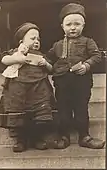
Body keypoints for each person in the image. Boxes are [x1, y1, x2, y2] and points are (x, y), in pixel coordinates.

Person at [47, 3, 105, 149]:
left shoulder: (88, 42)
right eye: (69, 24)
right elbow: (49, 58)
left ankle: (84, 137)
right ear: (62, 26)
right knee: (63, 110)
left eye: (77, 24)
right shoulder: (57, 45)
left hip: (81, 82)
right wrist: (46, 64)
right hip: (62, 83)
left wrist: (86, 65)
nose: (73, 27)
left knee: (81, 109)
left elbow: (97, 56)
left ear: (83, 25)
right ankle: (64, 136)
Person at [0, 22, 58, 152]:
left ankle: (36, 138)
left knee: (39, 116)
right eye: (32, 38)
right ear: (21, 41)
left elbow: (51, 69)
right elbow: (4, 60)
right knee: (19, 115)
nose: (36, 41)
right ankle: (21, 140)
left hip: (38, 90)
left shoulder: (40, 55)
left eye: (38, 39)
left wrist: (45, 63)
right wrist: (18, 59)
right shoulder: (15, 53)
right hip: (19, 91)